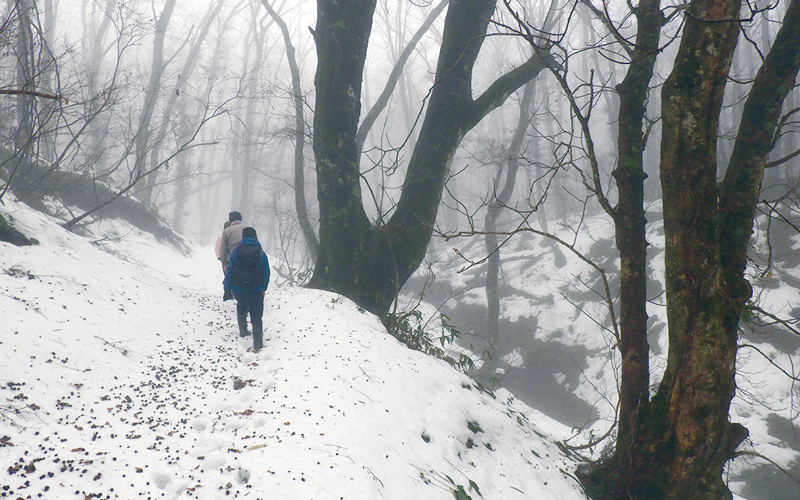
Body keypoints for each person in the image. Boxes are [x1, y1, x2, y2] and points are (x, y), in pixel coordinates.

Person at [224, 226, 270, 350]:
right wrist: (263, 288)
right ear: (255, 237)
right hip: (256, 289)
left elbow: (230, 270)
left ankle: (243, 330)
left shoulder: (236, 252)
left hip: (239, 288)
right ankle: (257, 341)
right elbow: (266, 272)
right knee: (256, 314)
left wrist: (227, 288)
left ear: (243, 237)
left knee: (241, 306)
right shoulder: (260, 253)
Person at [220, 211, 246, 301]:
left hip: (234, 256)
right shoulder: (248, 228)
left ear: (230, 220)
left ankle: (229, 292)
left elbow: (223, 248)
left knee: (232, 274)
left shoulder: (227, 231)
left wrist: (223, 262)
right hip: (250, 256)